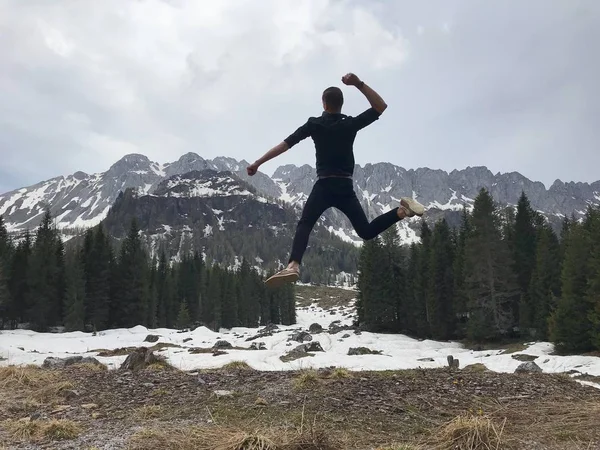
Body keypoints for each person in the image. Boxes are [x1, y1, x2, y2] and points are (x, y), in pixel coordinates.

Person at [246, 72, 425, 287]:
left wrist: (258, 163)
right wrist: (358, 84)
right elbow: (381, 106)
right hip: (345, 187)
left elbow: (285, 144)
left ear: (324, 104)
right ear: (341, 104)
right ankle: (401, 211)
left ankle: (293, 265)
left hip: (324, 186)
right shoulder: (350, 124)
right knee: (366, 232)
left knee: (305, 224)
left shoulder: (314, 124)